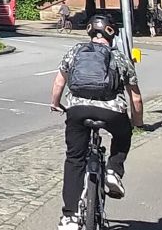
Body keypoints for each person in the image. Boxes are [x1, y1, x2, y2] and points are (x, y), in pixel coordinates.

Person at [49, 15, 143, 230]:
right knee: (123, 134)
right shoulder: (120, 57)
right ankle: (113, 170)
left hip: (78, 111)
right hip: (112, 113)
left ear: (89, 31)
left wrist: (55, 103)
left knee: (74, 159)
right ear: (112, 34)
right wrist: (137, 123)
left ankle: (70, 217)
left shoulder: (75, 51)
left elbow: (59, 82)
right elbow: (136, 98)